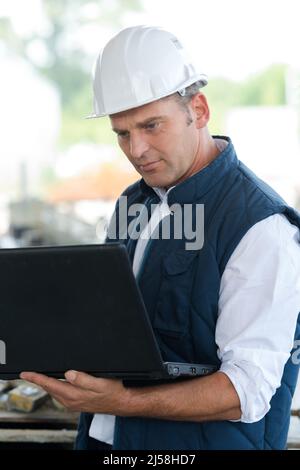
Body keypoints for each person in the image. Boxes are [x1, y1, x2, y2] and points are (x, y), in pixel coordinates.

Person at [21, 25, 300, 450]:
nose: (136, 149)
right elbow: (113, 329)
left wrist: (122, 400)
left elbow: (246, 391)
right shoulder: (134, 203)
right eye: (122, 133)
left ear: (199, 111)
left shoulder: (260, 226)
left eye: (152, 125)